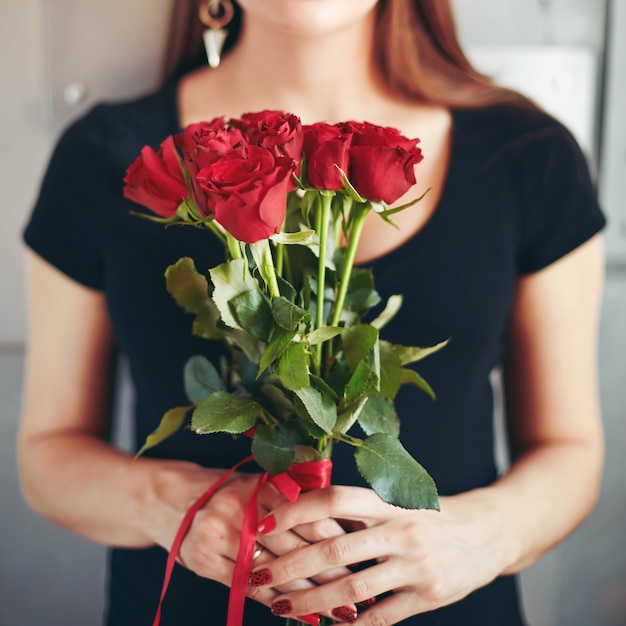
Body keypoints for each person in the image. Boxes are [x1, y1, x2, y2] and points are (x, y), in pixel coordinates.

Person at [18, 0, 606, 624]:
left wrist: (473, 534)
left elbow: (569, 450)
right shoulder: (106, 158)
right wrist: (171, 502)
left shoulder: (530, 155)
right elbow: (48, 455)